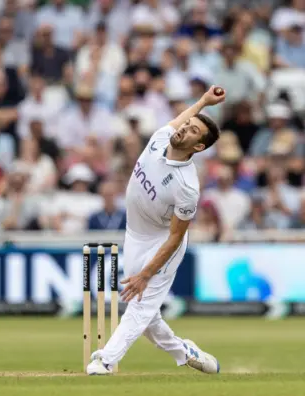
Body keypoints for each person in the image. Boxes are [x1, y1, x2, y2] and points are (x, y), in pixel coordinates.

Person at [86, 85, 226, 375]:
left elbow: (176, 236)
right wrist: (202, 102)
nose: (184, 129)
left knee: (138, 305)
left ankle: (106, 360)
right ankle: (184, 351)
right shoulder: (160, 137)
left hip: (161, 243)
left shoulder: (187, 187)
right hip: (134, 234)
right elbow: (182, 120)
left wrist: (147, 273)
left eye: (192, 132)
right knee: (147, 317)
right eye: (186, 124)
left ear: (198, 147)